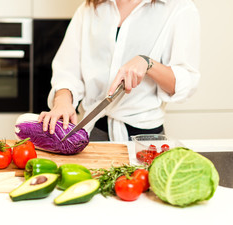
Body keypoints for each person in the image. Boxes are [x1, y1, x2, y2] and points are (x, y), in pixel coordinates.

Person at [38, 0, 200, 141]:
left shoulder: (179, 8)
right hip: (94, 132)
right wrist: (62, 102)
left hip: (145, 138)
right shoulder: (89, 8)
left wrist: (148, 64)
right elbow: (68, 72)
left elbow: (186, 82)